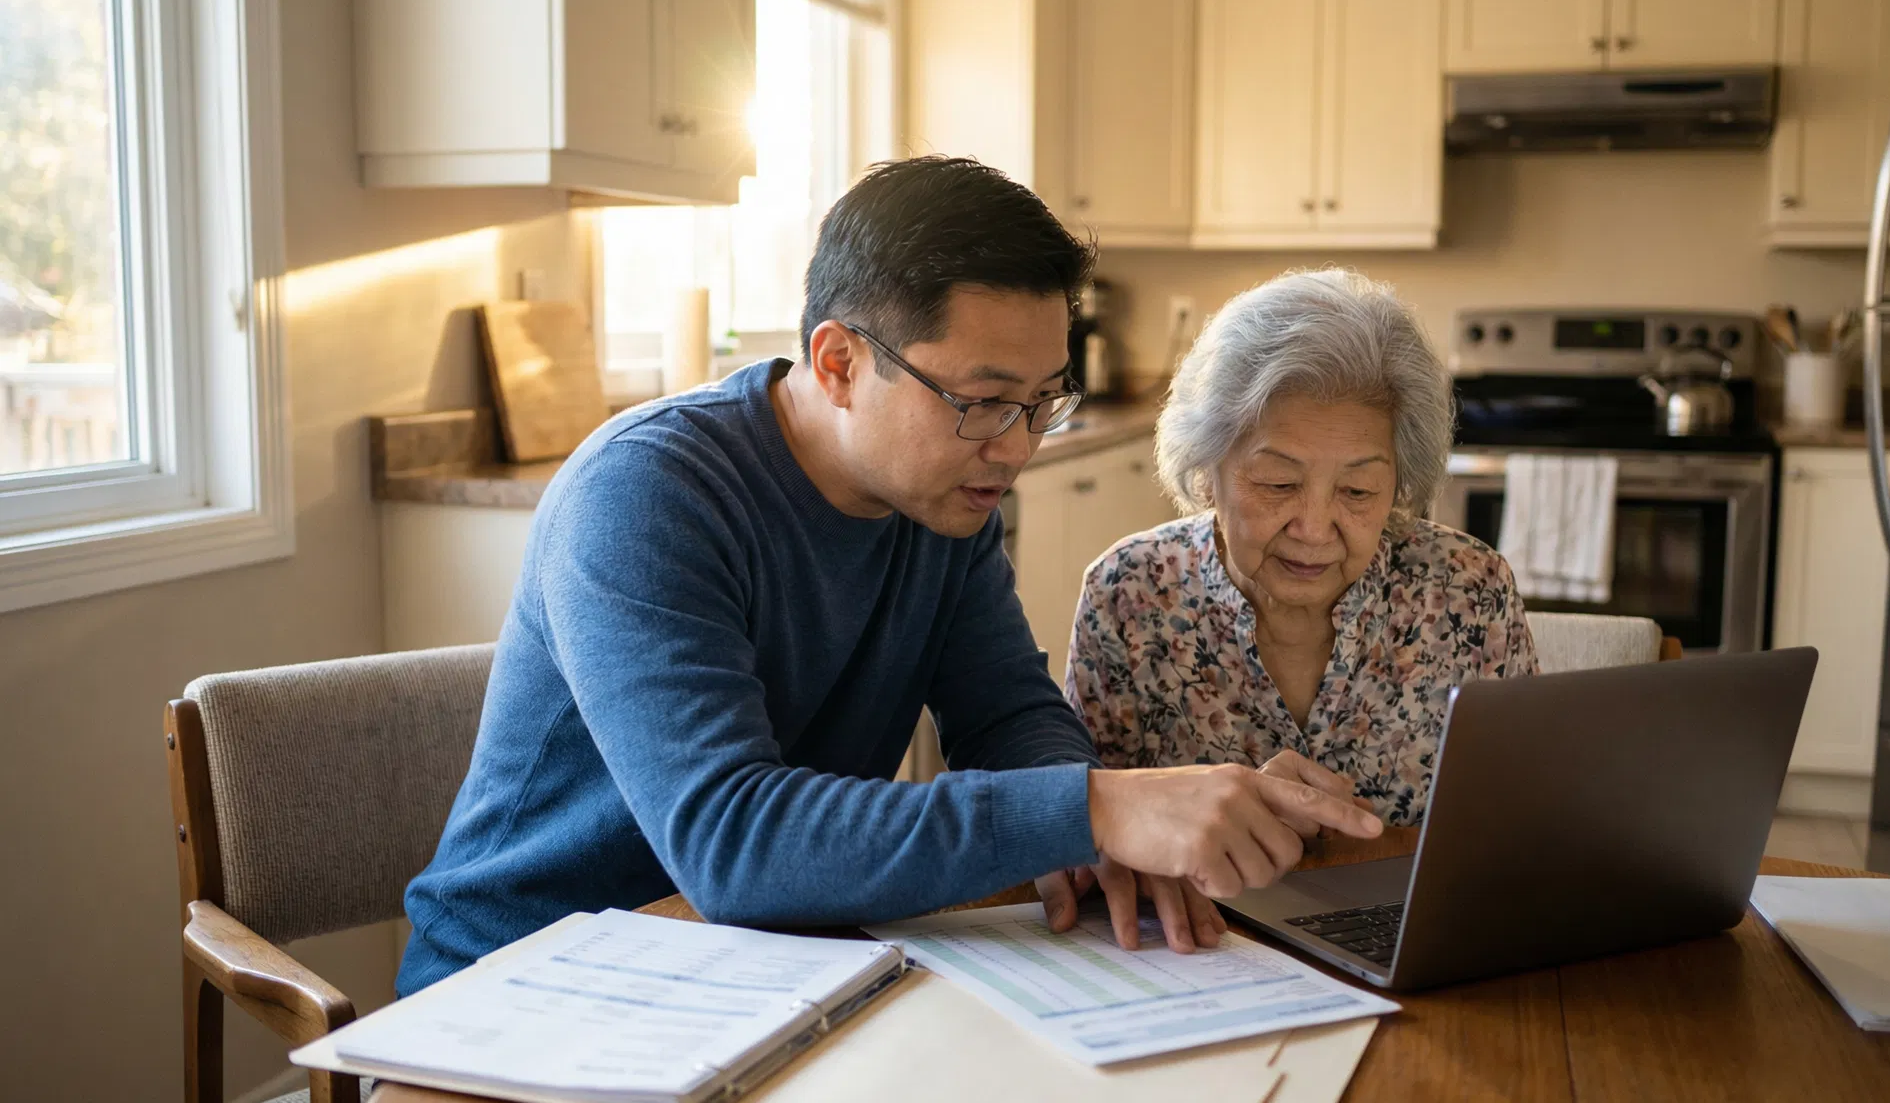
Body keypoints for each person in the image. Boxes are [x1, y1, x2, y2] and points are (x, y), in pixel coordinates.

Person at [398, 160, 1380, 995]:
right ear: (837, 363)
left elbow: (1007, 713)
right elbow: (733, 844)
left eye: (1043, 402)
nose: (1016, 447)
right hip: (524, 986)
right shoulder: (647, 495)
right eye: (984, 400)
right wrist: (1094, 808)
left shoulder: (942, 498)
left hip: (758, 969)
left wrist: (1094, 828)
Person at [1066, 268, 1539, 828]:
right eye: (1278, 483)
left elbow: (1525, 819)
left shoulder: (1470, 590)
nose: (1314, 531)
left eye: (1358, 491)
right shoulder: (1129, 593)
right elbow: (1085, 835)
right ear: (1207, 473)